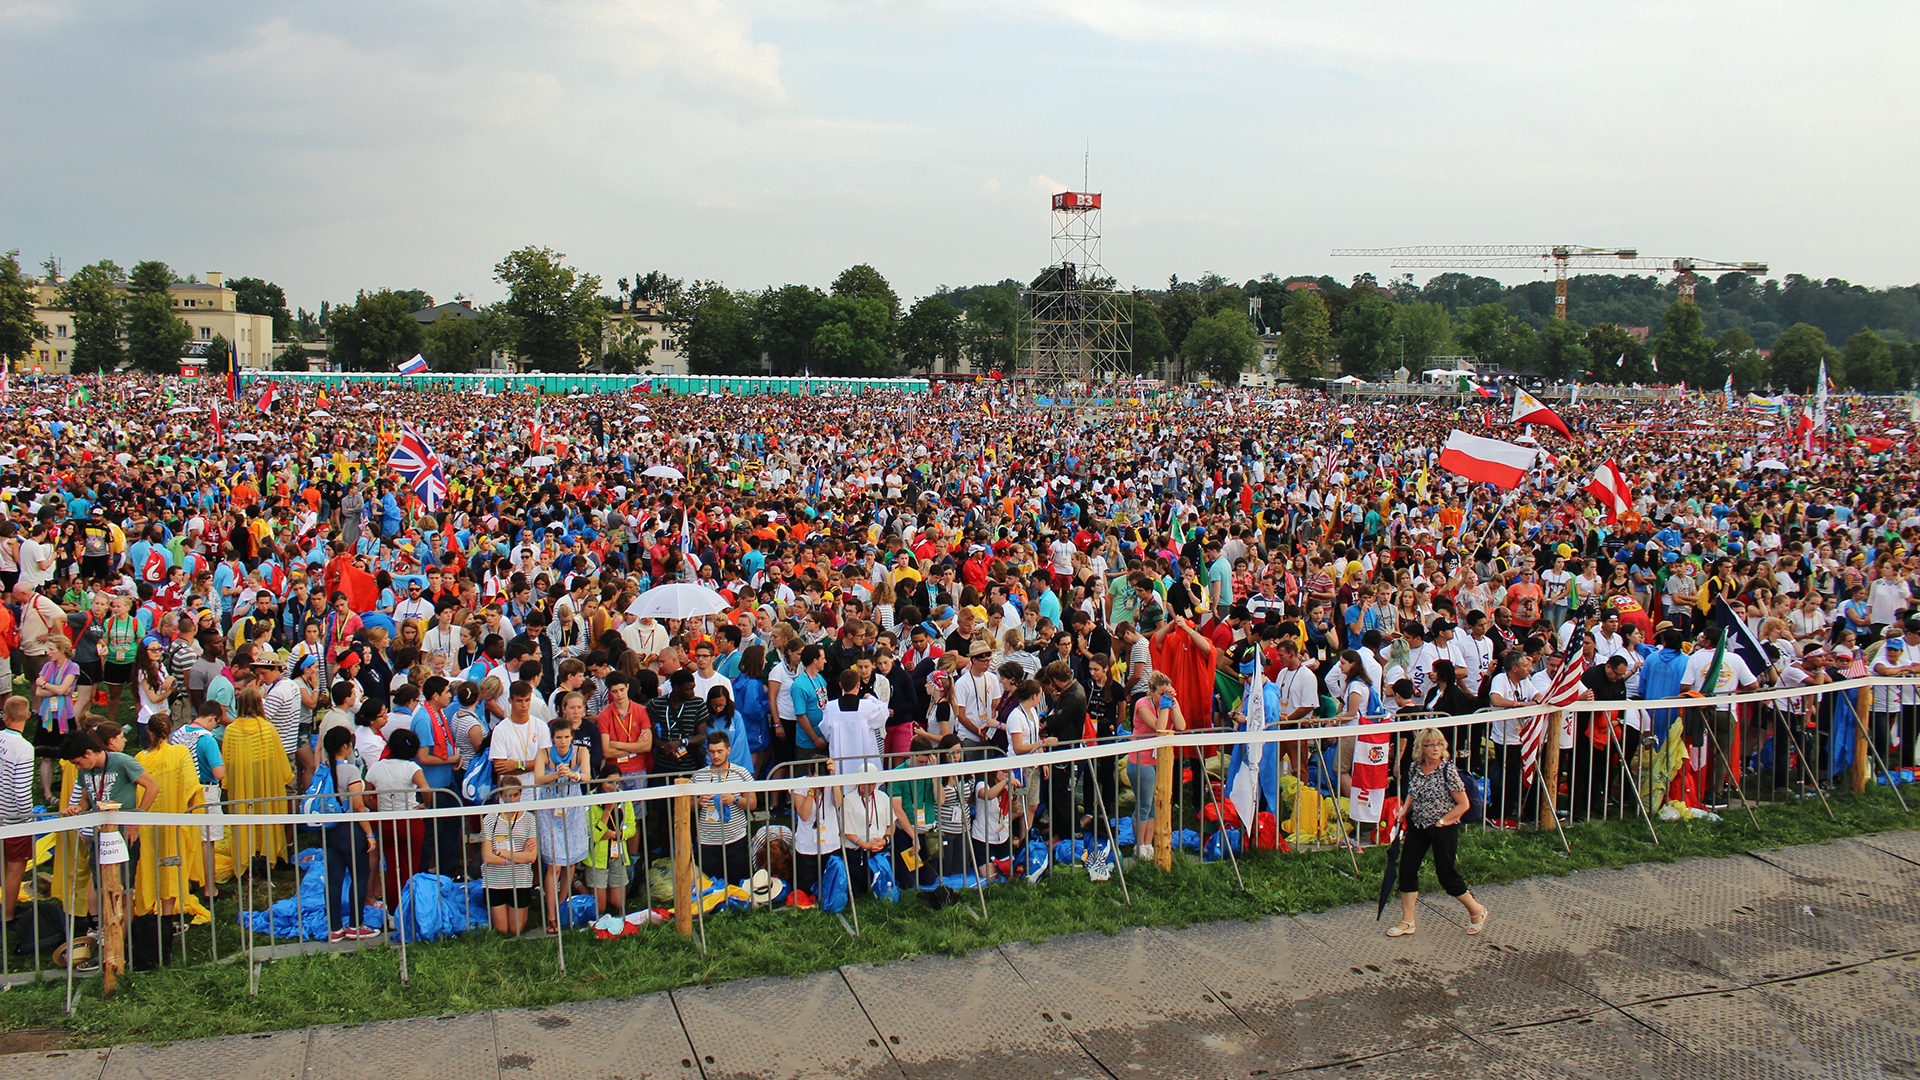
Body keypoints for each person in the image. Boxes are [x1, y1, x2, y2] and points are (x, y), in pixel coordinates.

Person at [1388, 727, 1490, 938]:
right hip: (1418, 825)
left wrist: (1444, 820)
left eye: (1438, 744)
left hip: (1443, 828)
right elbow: (1412, 793)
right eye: (1430, 745)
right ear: (1421, 748)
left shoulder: (1447, 770)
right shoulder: (1416, 768)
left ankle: (1476, 910)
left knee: (1446, 875)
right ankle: (1407, 921)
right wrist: (1404, 810)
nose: (1435, 749)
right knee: (1407, 870)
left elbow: (1463, 804)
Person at [315, 725, 381, 942]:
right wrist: (369, 833)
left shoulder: (322, 768)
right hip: (349, 829)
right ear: (346, 746)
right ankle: (355, 924)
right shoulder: (350, 771)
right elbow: (358, 806)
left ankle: (335, 927)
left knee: (334, 880)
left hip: (329, 829)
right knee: (360, 876)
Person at [532, 717, 590, 931]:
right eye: (559, 737)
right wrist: (556, 775)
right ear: (552, 738)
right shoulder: (544, 753)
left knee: (571, 861)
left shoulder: (580, 752)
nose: (563, 741)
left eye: (566, 737)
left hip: (572, 809)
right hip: (550, 809)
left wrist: (572, 774)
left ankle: (561, 906)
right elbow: (538, 778)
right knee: (554, 864)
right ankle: (551, 914)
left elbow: (586, 776)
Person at [364, 726, 431, 911]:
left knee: (392, 867)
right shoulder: (412, 768)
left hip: (386, 822)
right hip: (410, 821)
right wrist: (425, 805)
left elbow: (365, 798)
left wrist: (381, 808)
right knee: (412, 867)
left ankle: (393, 910)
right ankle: (411, 909)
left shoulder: (376, 768)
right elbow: (426, 790)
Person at [1128, 671, 1183, 862]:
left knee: (1153, 805)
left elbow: (1181, 725)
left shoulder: (1166, 704)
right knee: (1144, 805)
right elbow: (1159, 728)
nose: (1163, 697)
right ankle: (1139, 845)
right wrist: (1166, 705)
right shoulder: (1142, 705)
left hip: (1159, 760)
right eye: (1160, 694)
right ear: (1151, 691)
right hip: (1141, 760)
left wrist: (1173, 703)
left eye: (1165, 693)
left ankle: (1148, 843)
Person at [692, 729, 755, 883]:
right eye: (712, 752)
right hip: (707, 842)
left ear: (728, 750)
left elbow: (753, 803)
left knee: (736, 885)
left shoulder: (741, 773)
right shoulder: (699, 776)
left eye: (720, 751)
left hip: (735, 839)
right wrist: (698, 802)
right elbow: (686, 805)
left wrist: (734, 800)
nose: (716, 756)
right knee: (710, 886)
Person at [481, 775, 540, 934]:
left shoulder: (529, 819)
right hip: (496, 880)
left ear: (520, 794)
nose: (511, 800)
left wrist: (505, 854)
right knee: (502, 929)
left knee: (516, 930)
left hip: (519, 880)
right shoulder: (490, 819)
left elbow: (532, 857)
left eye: (515, 795)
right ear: (500, 796)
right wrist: (518, 857)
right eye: (507, 796)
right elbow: (487, 857)